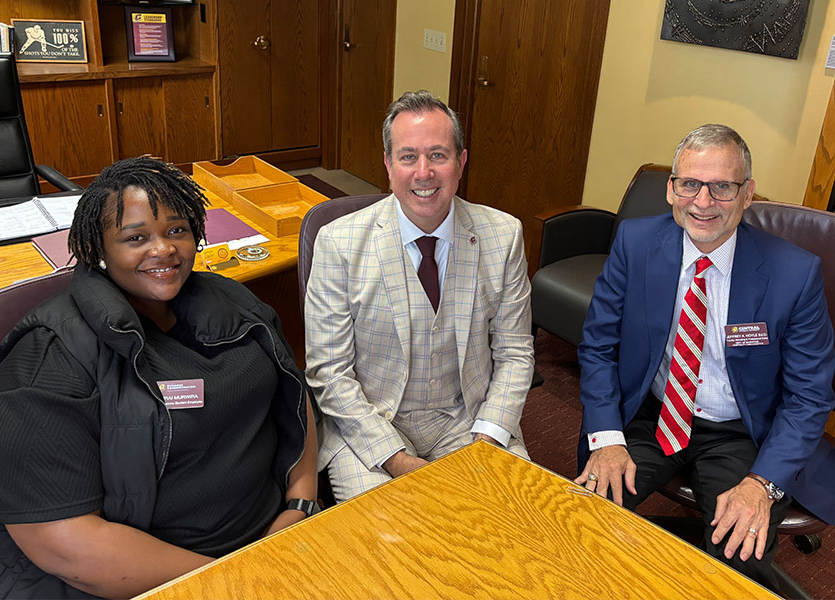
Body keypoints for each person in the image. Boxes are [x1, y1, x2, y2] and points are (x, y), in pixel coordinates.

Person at [0, 157, 318, 599]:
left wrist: (301, 502)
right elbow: (67, 546)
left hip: (273, 544)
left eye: (177, 230)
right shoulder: (45, 365)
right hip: (151, 581)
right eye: (136, 238)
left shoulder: (234, 301)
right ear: (97, 249)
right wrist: (236, 580)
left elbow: (292, 396)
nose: (164, 249)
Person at [574, 124, 835, 589]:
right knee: (583, 517)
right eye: (690, 184)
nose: (702, 202)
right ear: (671, 188)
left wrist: (762, 483)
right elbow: (598, 346)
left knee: (738, 554)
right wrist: (607, 438)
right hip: (652, 414)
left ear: (747, 193)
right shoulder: (636, 243)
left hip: (741, 431)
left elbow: (809, 396)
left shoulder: (794, 274)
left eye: (722, 187)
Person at [304, 90, 534, 502]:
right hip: (372, 426)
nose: (423, 172)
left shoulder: (503, 235)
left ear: (461, 162)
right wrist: (397, 461)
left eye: (438, 155)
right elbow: (330, 372)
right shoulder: (338, 242)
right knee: (388, 532)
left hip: (470, 422)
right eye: (408, 157)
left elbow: (516, 353)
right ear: (389, 165)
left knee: (511, 518)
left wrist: (487, 437)